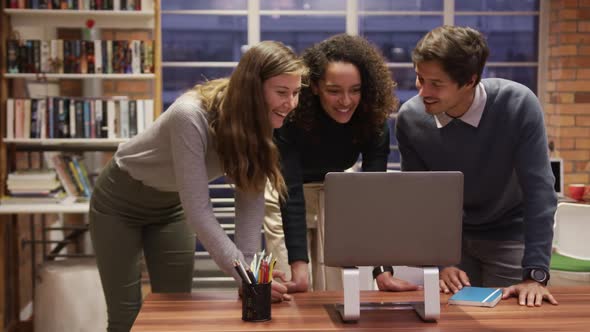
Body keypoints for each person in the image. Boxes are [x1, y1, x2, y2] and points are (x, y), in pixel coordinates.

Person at [89, 41, 307, 331]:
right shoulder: (189, 115)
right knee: (127, 317)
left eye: (295, 93)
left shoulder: (261, 123)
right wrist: (243, 274)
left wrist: (250, 277)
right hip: (118, 203)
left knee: (173, 314)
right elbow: (199, 209)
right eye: (282, 92)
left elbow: (249, 201)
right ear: (253, 89)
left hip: (170, 208)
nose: (290, 104)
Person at [375, 25, 559, 307]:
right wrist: (439, 262)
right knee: (449, 317)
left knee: (514, 315)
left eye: (436, 83)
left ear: (470, 81)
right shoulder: (412, 118)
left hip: (510, 233)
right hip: (452, 240)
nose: (423, 91)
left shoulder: (518, 104)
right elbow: (421, 199)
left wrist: (535, 274)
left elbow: (540, 192)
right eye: (420, 79)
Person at [264, 34, 420, 292]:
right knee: (293, 286)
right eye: (334, 91)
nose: (346, 101)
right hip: (287, 192)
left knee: (334, 290)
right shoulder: (291, 118)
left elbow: (374, 194)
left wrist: (383, 270)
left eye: (355, 90)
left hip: (334, 190)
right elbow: (290, 192)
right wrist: (298, 266)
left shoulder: (372, 120)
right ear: (314, 86)